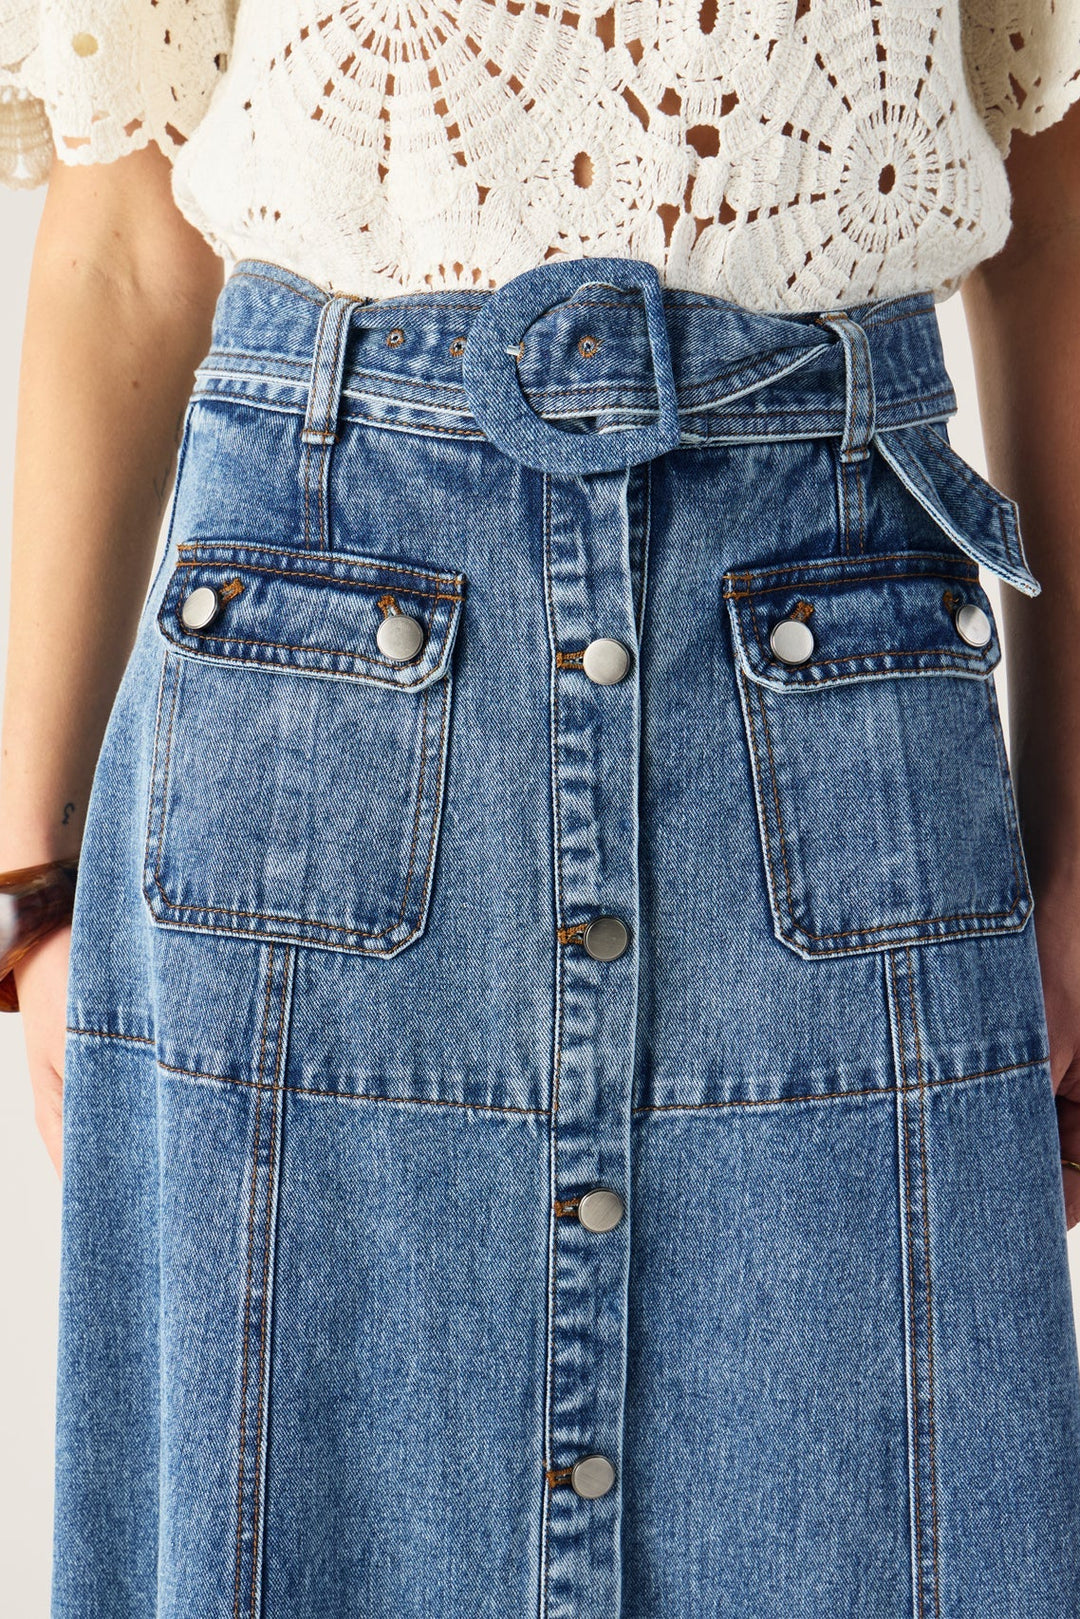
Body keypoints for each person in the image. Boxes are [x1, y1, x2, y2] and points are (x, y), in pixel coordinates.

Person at [2, 2, 1079, 1614]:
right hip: (310, 712)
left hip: (848, 710)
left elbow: (1052, 221)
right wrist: (31, 882)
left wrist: (1078, 839)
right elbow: (123, 248)